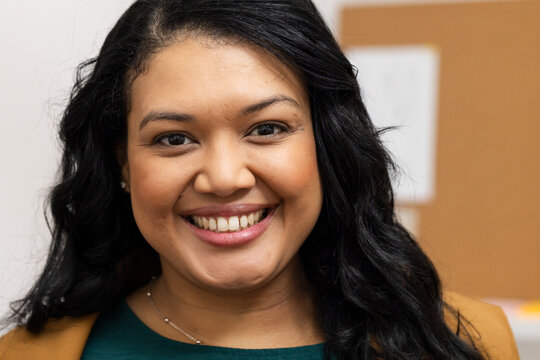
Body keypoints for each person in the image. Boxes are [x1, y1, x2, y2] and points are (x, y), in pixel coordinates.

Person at [0, 0, 519, 359]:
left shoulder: (469, 342)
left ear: (325, 144)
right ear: (122, 166)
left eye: (267, 129)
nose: (224, 178)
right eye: (174, 138)